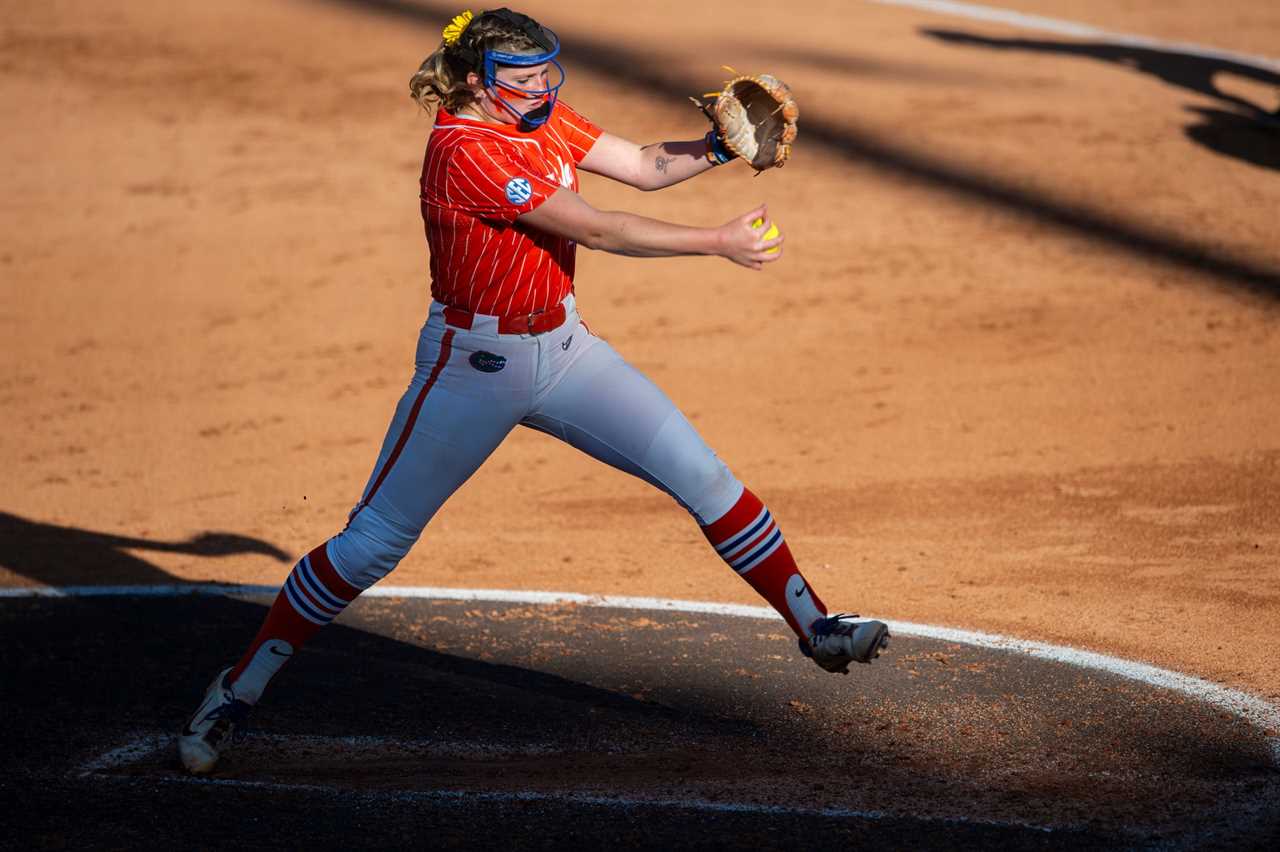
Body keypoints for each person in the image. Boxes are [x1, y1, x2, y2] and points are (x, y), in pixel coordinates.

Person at [178, 7, 889, 775]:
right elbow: (597, 229)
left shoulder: (543, 117)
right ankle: (237, 689)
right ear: (480, 86)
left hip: (566, 349)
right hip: (471, 369)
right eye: (525, 77)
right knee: (371, 546)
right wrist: (715, 241)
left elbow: (645, 167)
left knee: (705, 477)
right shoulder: (464, 150)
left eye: (549, 70)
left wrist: (716, 147)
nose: (545, 85)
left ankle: (814, 626)